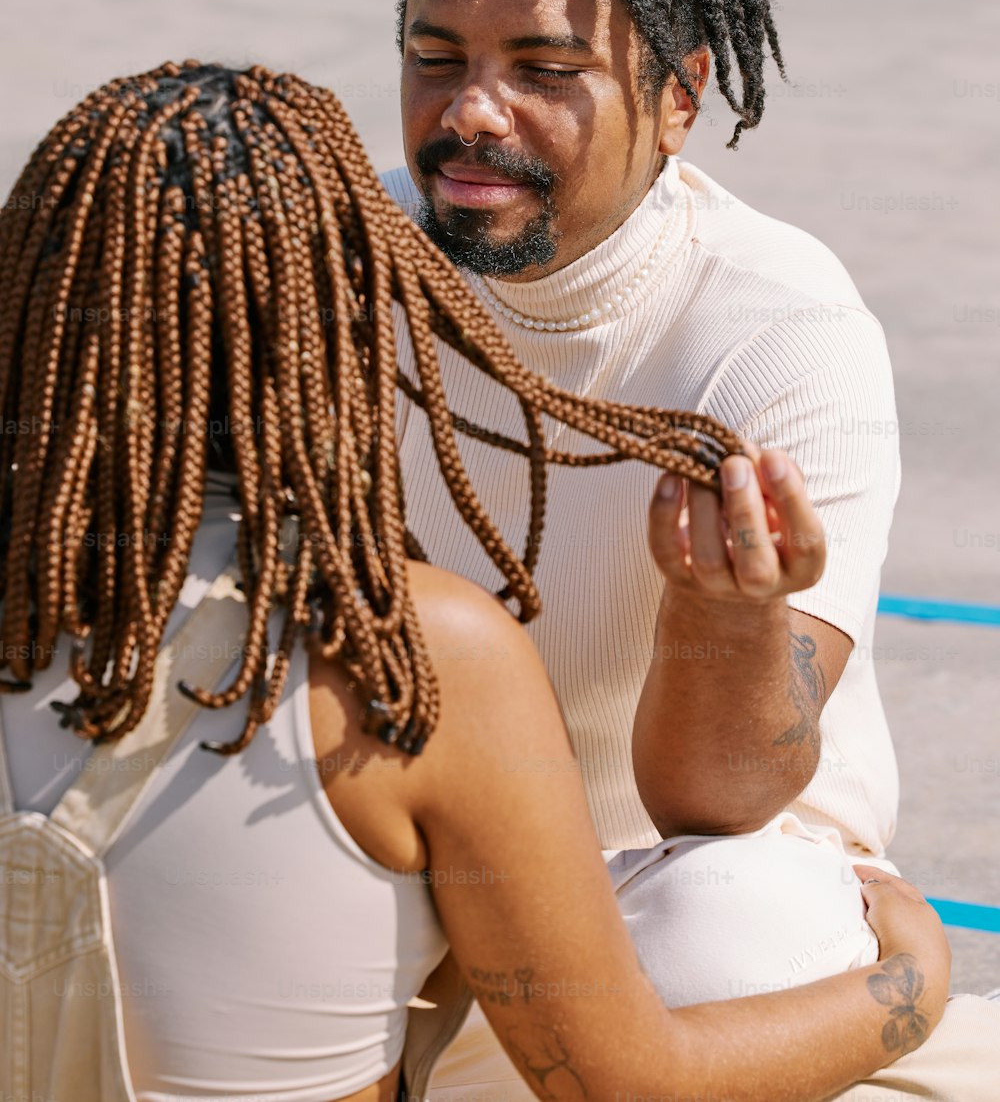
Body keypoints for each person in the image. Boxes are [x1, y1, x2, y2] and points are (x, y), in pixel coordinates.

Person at [0, 61, 949, 1102]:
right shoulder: (416, 651)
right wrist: (908, 981)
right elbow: (625, 1081)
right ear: (344, 320)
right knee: (741, 929)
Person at [383, 0, 1000, 1093]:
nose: (473, 111)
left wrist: (724, 617)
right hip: (399, 857)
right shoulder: (330, 258)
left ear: (678, 96)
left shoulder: (778, 332)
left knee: (740, 929)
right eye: (437, 59)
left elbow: (713, 801)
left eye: (545, 70)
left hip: (654, 897)